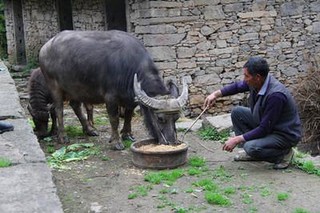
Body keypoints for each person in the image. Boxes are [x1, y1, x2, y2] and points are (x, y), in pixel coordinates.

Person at [203, 56, 301, 169]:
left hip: (284, 134)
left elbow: (264, 129)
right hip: (268, 124)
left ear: (257, 77)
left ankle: (284, 154)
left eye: (246, 76)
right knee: (237, 112)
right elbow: (237, 86)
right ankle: (252, 153)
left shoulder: (276, 95)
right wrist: (215, 94)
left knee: (251, 147)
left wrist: (236, 139)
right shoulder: (256, 82)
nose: (244, 79)